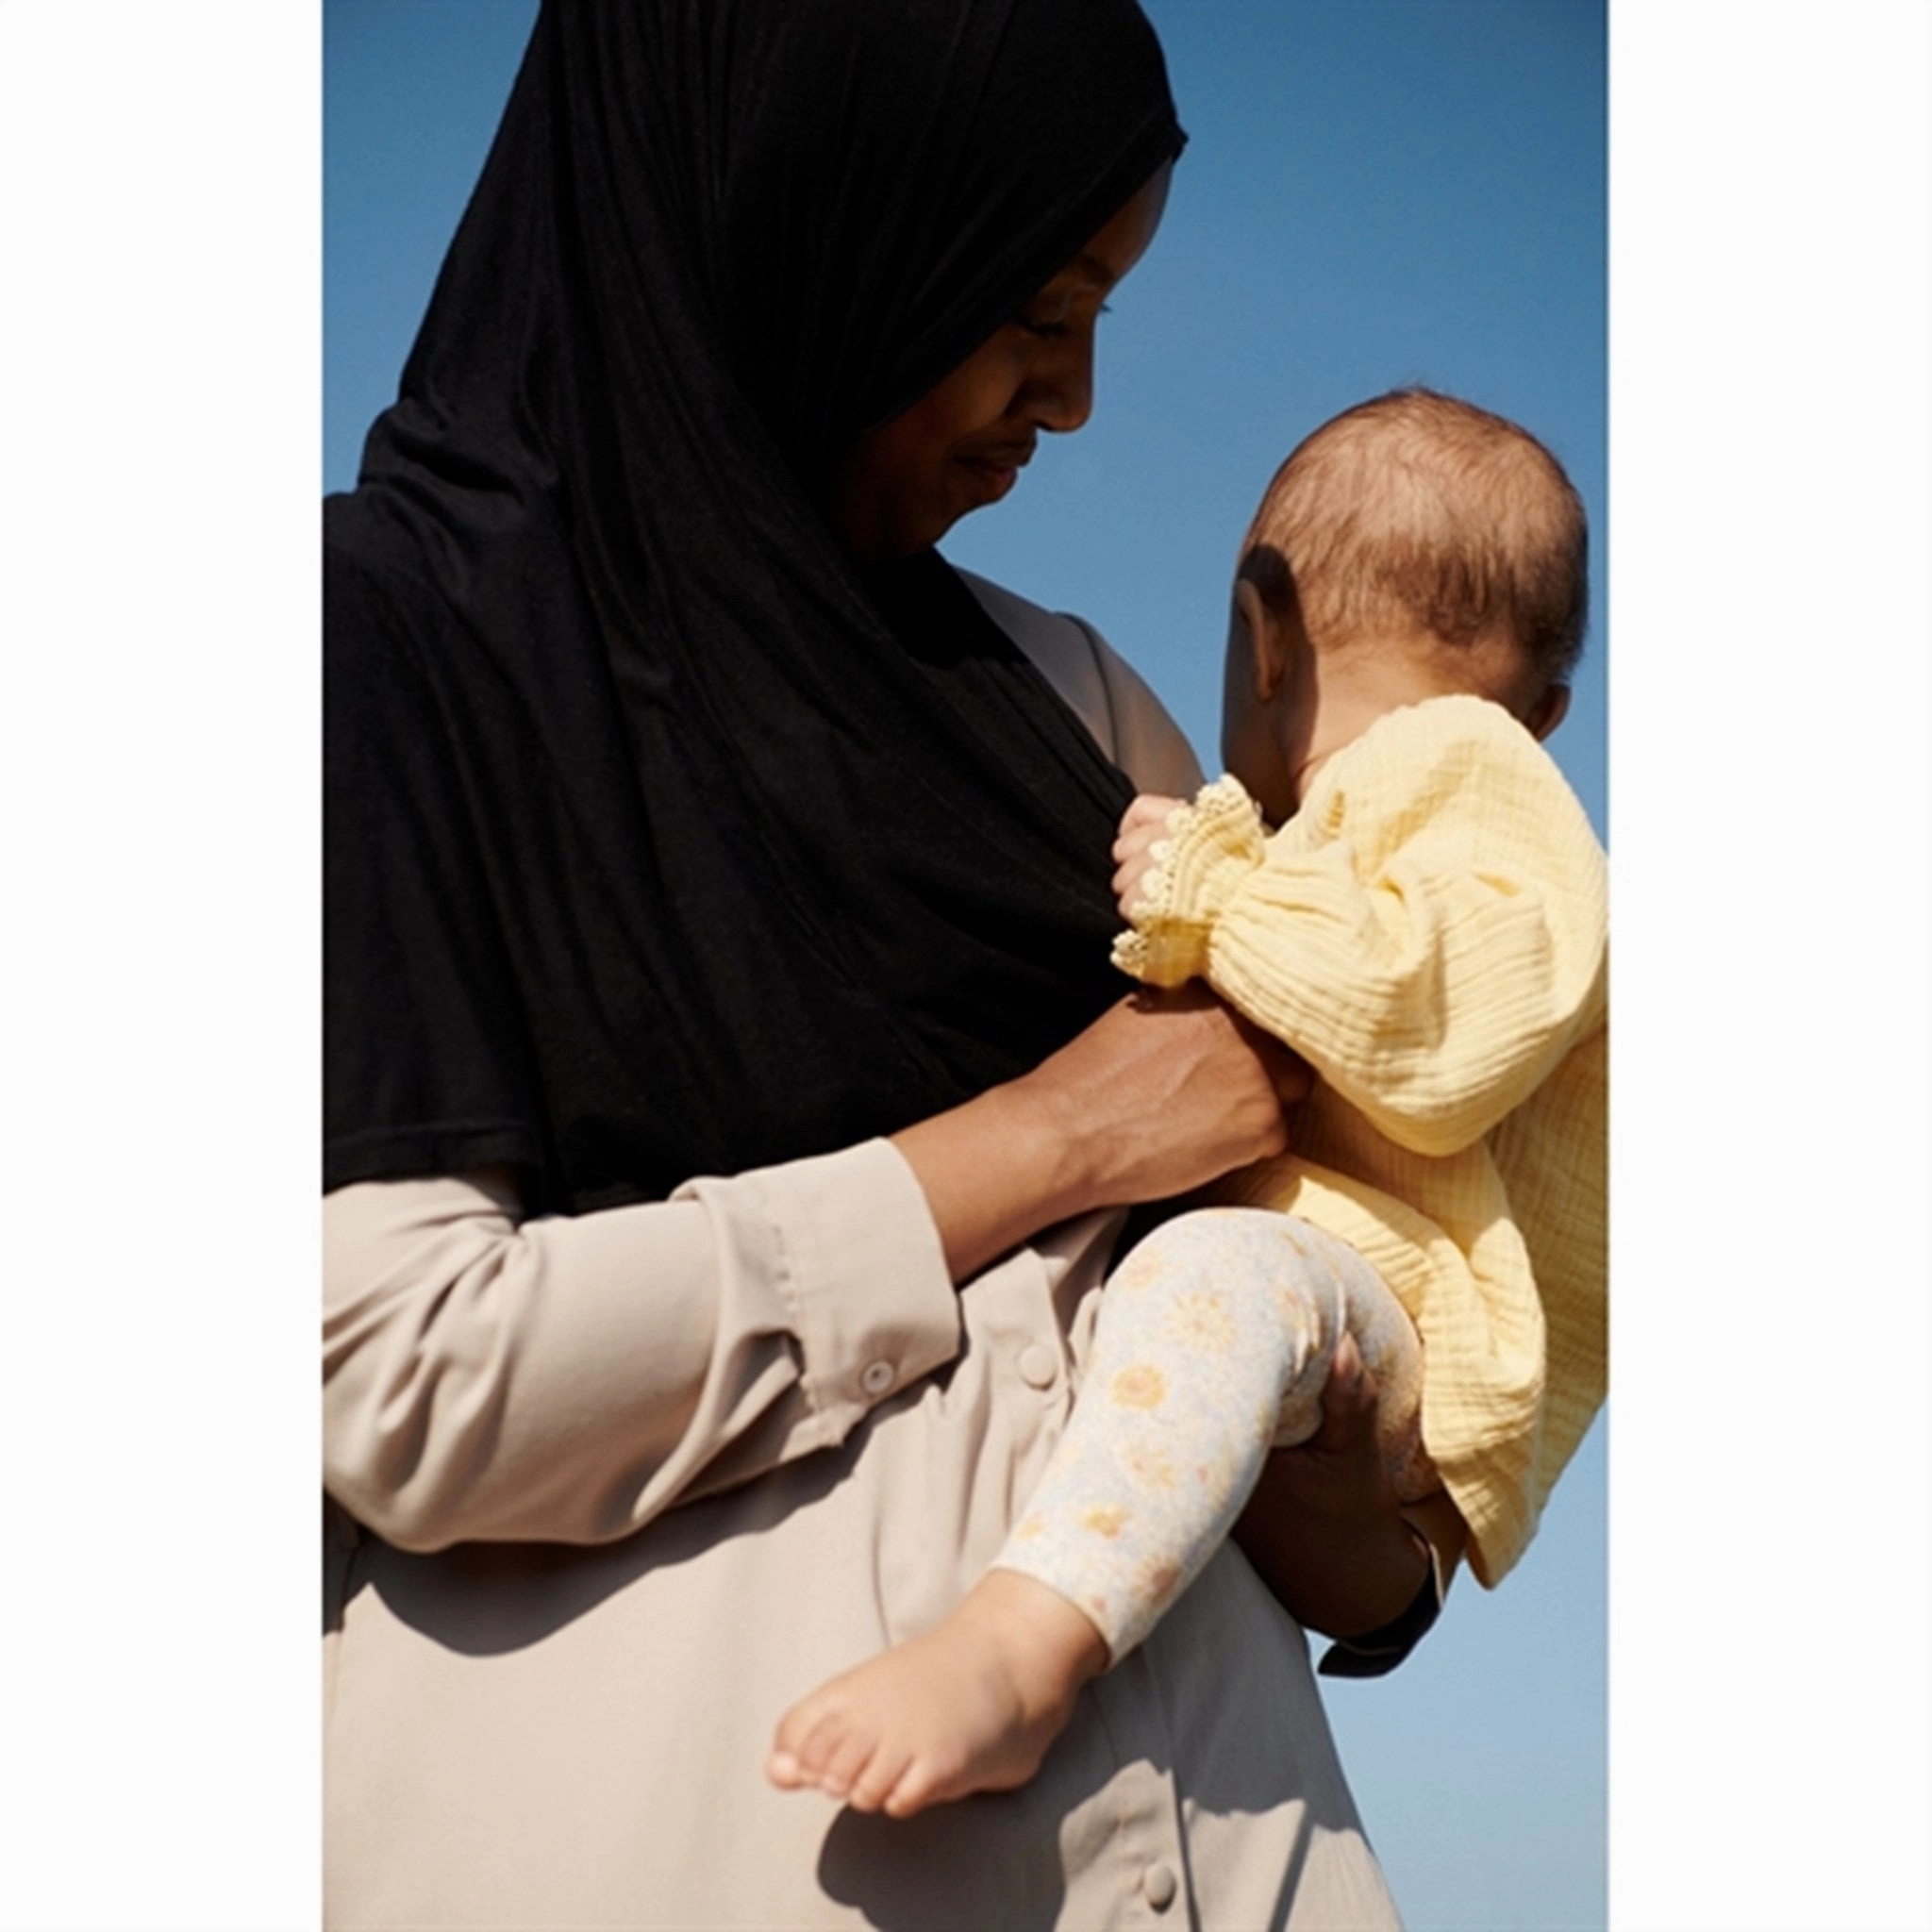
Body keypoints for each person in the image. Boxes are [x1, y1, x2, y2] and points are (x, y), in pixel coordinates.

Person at [324, 4, 1431, 1926]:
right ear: (800, 222)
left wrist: (1349, 1454)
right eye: (1029, 302)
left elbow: (1340, 1535)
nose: (1071, 399)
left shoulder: (1070, 703)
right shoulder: (380, 656)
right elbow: (407, 1382)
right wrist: (1054, 1138)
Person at [771, 390, 1607, 1820]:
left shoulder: (1460, 770)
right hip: (1354, 1314)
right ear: (1552, 703)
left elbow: (1429, 1035)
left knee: (1211, 1276)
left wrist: (1217, 890)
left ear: (1262, 635)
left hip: (1401, 1285)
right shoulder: (1425, 802)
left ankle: (1024, 1647)